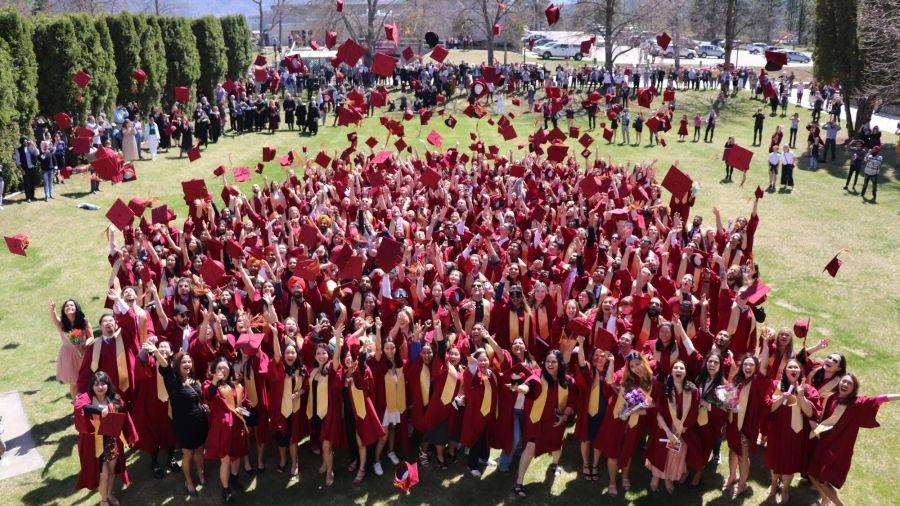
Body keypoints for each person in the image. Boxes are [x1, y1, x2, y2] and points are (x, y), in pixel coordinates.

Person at [806, 374, 900, 506]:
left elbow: (880, 399)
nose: (845, 384)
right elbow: (822, 416)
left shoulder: (857, 403)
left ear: (854, 388)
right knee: (812, 473)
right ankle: (825, 500)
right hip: (823, 442)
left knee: (822, 479)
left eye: (849, 383)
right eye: (843, 381)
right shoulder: (832, 397)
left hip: (838, 447)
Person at [512, 349, 575, 497]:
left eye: (554, 361)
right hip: (537, 421)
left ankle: (554, 464)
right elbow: (529, 386)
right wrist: (520, 388)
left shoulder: (567, 381)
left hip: (555, 421)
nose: (550, 364)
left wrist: (564, 416)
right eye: (548, 361)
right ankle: (519, 483)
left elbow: (572, 402)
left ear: (560, 363)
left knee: (556, 445)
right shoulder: (538, 376)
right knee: (529, 447)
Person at [74, 371, 137, 504]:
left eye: (103, 383)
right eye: (96, 384)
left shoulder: (115, 398)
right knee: (104, 474)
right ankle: (104, 501)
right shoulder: (87, 398)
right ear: (92, 386)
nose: (100, 387)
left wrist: (129, 434)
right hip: (95, 443)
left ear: (108, 385)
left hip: (112, 441)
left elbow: (124, 416)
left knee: (112, 471)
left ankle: (109, 494)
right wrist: (99, 410)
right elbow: (81, 407)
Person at [764, 358, 821, 504]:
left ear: (801, 372)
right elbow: (768, 408)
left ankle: (785, 489)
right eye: (790, 367)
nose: (794, 370)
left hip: (795, 432)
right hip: (777, 429)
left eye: (796, 368)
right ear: (785, 371)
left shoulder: (809, 390)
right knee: (774, 457)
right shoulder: (776, 386)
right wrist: (781, 397)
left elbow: (809, 413)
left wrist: (801, 396)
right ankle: (774, 483)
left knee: (789, 461)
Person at [645, 360, 699, 494]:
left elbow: (694, 412)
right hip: (664, 428)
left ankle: (668, 478)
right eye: (676, 368)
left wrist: (682, 429)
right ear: (671, 372)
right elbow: (658, 413)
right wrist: (669, 433)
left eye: (682, 368)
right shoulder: (664, 388)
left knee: (674, 455)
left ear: (686, 372)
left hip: (682, 430)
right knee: (660, 453)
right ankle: (656, 476)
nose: (678, 370)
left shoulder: (692, 391)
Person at [159, 351, 208, 496]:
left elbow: (198, 398)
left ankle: (201, 473)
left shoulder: (193, 379)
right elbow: (165, 368)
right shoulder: (173, 383)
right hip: (183, 426)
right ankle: (189, 481)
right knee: (187, 453)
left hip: (199, 423)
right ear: (177, 365)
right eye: (183, 362)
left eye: (189, 361)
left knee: (199, 450)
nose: (187, 364)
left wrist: (203, 407)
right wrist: (156, 352)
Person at [204, 358, 250, 503]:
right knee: (225, 460)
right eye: (219, 368)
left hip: (237, 426)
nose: (222, 371)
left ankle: (234, 478)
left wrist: (246, 411)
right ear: (214, 371)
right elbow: (209, 398)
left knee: (237, 455)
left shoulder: (236, 385)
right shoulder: (210, 385)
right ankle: (225, 489)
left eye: (225, 368)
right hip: (222, 429)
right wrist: (214, 382)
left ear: (230, 370)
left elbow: (245, 403)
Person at [50, 299, 92, 399]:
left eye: (72, 305)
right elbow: (55, 319)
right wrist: (53, 310)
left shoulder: (84, 322)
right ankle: (77, 406)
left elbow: (91, 336)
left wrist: (86, 344)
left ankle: (89, 402)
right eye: (67, 306)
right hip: (68, 355)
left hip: (83, 354)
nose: (69, 307)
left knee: (86, 380)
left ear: (76, 308)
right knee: (74, 383)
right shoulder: (62, 324)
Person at [13, 136, 39, 202]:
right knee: (27, 184)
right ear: (22, 142)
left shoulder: (30, 148)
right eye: (24, 141)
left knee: (32, 183)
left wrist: (33, 144)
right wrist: (21, 170)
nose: (26, 141)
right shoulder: (18, 150)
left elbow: (37, 153)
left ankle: (32, 196)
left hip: (32, 168)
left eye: (26, 140)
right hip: (25, 169)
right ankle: (28, 198)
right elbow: (18, 161)